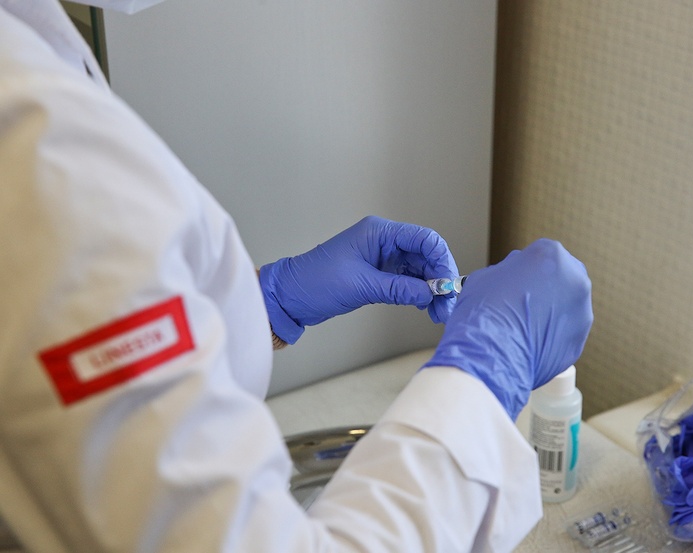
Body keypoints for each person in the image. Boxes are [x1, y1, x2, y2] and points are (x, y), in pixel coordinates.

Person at [0, 1, 593, 552]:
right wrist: (488, 369)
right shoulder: (37, 140)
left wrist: (264, 306)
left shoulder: (33, 49)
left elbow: (75, 379)